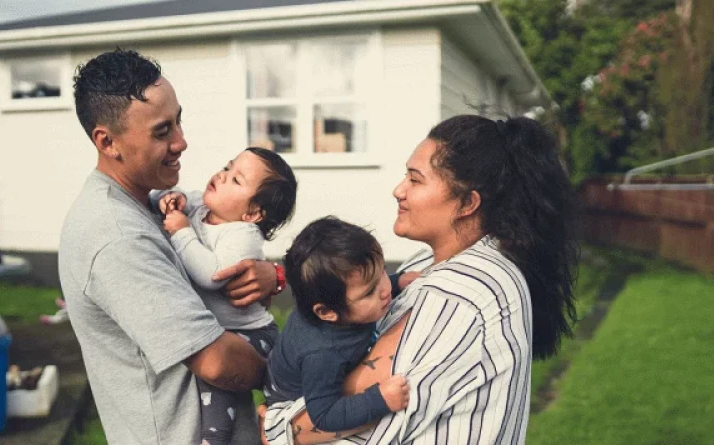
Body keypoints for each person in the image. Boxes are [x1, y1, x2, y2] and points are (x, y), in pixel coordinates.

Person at [263, 114, 578, 445]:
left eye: (415, 180)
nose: (398, 190)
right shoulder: (434, 262)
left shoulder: (458, 296)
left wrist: (276, 428)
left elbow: (377, 427)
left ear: (467, 203)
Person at [58, 49, 280, 445]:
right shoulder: (116, 236)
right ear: (108, 142)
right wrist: (301, 370)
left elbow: (231, 238)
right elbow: (216, 362)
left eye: (179, 121)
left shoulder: (155, 200)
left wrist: (272, 275)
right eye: (163, 132)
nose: (182, 142)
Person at [152, 147, 297, 445]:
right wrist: (169, 199)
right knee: (217, 380)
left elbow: (211, 275)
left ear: (253, 213)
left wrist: (182, 233)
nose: (221, 175)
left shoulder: (242, 235)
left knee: (220, 378)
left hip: (254, 333)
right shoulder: (201, 207)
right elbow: (159, 195)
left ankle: (222, 437)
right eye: (227, 167)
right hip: (227, 330)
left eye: (236, 180)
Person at [264, 217, 410, 435]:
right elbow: (323, 415)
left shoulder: (341, 303)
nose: (385, 289)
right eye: (370, 291)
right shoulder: (323, 354)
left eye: (381, 272)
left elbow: (372, 285)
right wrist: (380, 399)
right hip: (296, 407)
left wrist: (399, 281)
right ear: (327, 312)